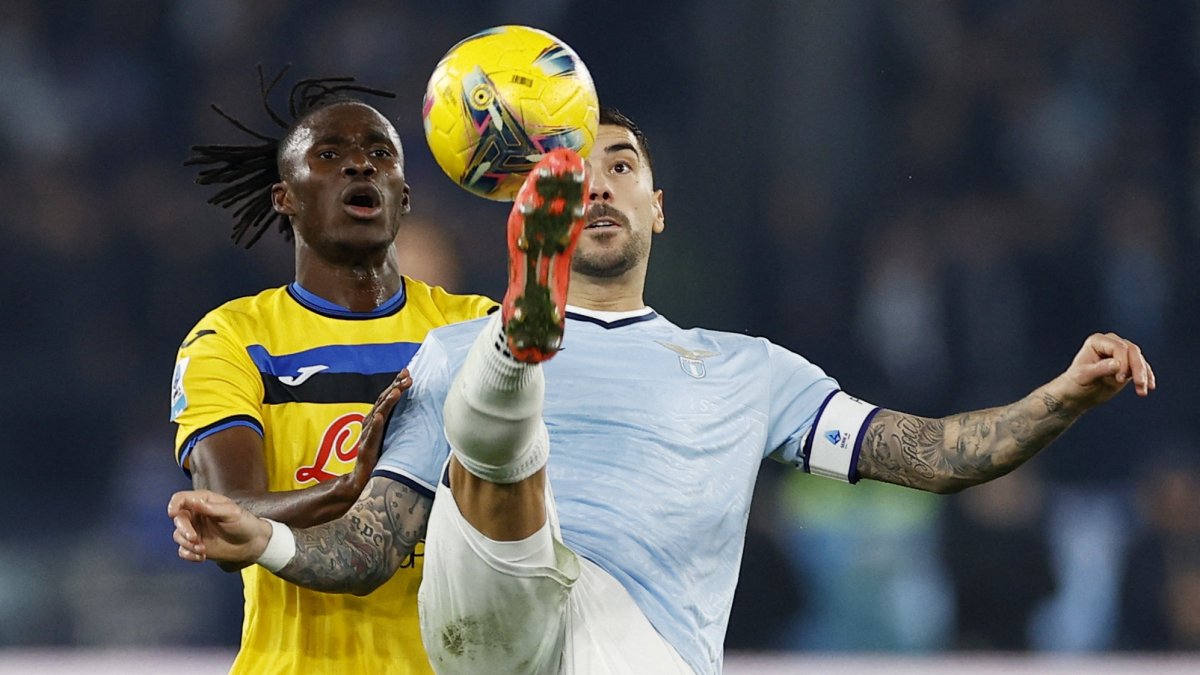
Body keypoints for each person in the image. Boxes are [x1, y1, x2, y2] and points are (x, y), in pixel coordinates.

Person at [169, 107, 1156, 674]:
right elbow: (373, 543)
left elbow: (932, 456)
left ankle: (520, 369)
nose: (597, 186)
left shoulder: (749, 368)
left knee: (497, 427)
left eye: (621, 167)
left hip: (638, 647)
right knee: (496, 437)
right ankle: (525, 355)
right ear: (535, 213)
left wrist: (1061, 396)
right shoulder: (442, 344)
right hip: (495, 623)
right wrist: (274, 541)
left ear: (658, 209)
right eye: (569, 175)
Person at [170, 68, 495, 674]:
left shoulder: (473, 330)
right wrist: (345, 492)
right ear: (284, 197)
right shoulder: (234, 338)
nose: (360, 165)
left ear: (405, 194)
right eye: (329, 154)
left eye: (380, 154)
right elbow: (225, 511)